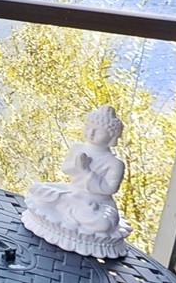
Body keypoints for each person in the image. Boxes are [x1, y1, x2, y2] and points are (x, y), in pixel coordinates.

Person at [24, 105, 129, 256]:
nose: (90, 133)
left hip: (96, 203)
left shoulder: (114, 163)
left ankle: (66, 207)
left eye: (97, 130)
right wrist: (77, 166)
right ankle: (66, 205)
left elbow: (109, 188)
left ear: (111, 136)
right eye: (88, 127)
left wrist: (86, 171)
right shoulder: (78, 148)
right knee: (37, 190)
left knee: (104, 223)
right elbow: (66, 169)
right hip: (71, 192)